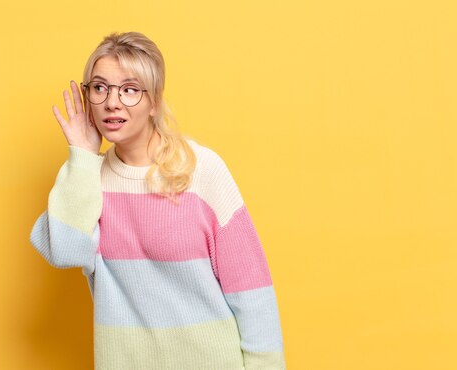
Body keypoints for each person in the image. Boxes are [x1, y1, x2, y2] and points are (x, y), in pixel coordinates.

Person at [29, 31, 286, 370]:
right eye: (99, 87)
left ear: (154, 102)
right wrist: (83, 155)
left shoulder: (201, 169)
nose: (112, 102)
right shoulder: (89, 181)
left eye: (130, 90)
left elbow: (251, 290)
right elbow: (65, 251)